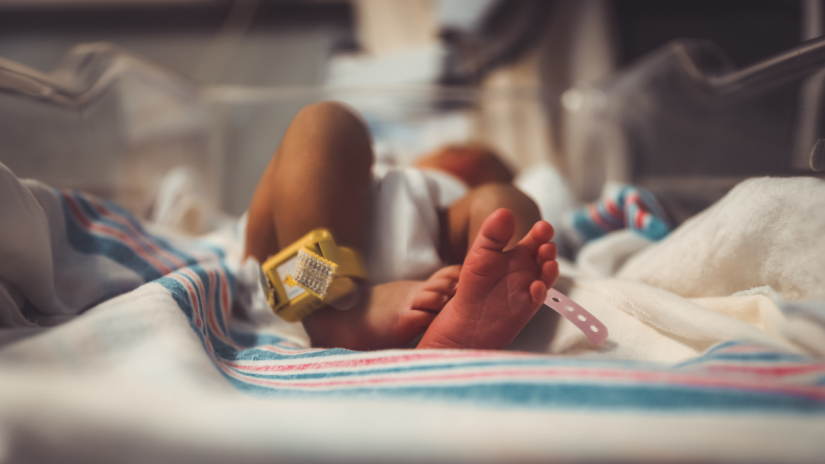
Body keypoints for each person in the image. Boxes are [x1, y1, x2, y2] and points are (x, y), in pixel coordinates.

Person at [244, 101, 559, 351]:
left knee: (322, 123)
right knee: (504, 202)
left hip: (442, 276)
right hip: (291, 274)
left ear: (461, 162)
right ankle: (325, 309)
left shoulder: (446, 189)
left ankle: (484, 298)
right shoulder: (390, 168)